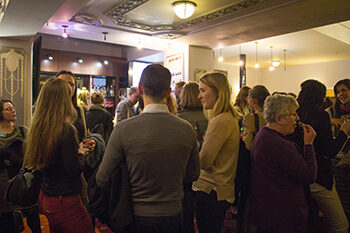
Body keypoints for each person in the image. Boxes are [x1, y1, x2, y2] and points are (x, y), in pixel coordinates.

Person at [96, 64, 200, 233]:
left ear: (140, 89)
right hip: (174, 213)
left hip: (135, 215)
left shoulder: (123, 129)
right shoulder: (186, 128)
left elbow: (102, 178)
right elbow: (194, 173)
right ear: (168, 93)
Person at [22, 77, 94, 233]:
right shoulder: (65, 129)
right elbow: (73, 169)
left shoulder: (38, 128)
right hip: (65, 200)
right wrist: (81, 153)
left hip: (47, 196)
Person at [251, 94, 317, 233]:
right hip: (284, 215)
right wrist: (308, 144)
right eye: (293, 114)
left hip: (268, 210)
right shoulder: (279, 145)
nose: (297, 119)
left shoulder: (262, 134)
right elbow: (310, 175)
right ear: (279, 119)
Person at [293, 79, 350, 233]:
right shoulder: (321, 115)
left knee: (309, 219)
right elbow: (330, 150)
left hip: (297, 173)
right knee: (340, 224)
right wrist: (344, 131)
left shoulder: (294, 114)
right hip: (319, 175)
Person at [193, 72, 240, 233]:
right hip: (218, 189)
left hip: (212, 190)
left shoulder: (220, 120)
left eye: (203, 90)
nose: (199, 96)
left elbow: (204, 162)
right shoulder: (227, 118)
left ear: (218, 91)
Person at [0, 100, 41, 233]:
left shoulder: (23, 131)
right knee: (7, 217)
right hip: (3, 181)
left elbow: (32, 154)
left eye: (13, 108)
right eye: (8, 109)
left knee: (32, 215)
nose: (13, 111)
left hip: (23, 180)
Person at [236, 85, 270, 233]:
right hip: (269, 166)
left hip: (253, 165)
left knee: (248, 203)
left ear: (253, 100)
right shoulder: (273, 116)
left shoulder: (251, 117)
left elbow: (248, 145)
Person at [178, 81, 208, 233]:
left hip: (186, 170)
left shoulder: (178, 119)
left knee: (186, 214)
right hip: (207, 171)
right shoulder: (210, 117)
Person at [327, 79, 350, 224]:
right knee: (342, 201)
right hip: (337, 161)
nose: (340, 94)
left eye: (344, 90)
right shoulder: (330, 113)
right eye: (338, 91)